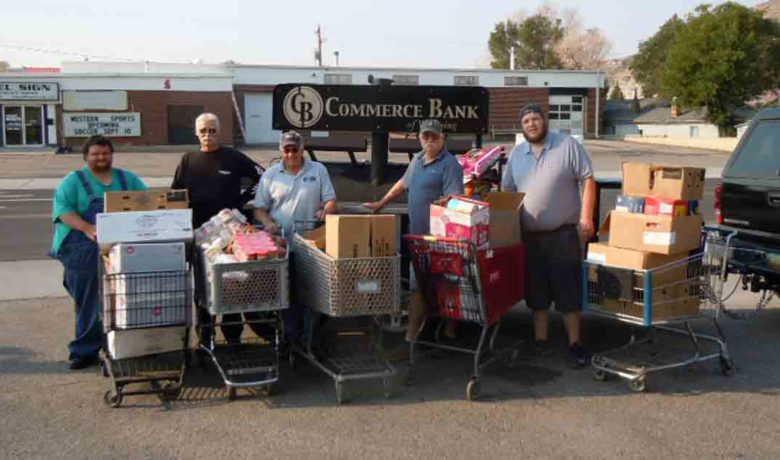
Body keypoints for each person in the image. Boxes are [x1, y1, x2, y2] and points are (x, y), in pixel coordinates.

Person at [501, 103, 596, 368]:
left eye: (535, 118)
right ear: (522, 127)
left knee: (569, 291)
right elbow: (508, 194)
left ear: (545, 121)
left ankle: (575, 344)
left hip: (563, 234)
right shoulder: (517, 155)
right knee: (537, 293)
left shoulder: (567, 146)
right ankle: (540, 342)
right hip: (530, 236)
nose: (531, 124)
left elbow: (588, 180)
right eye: (526, 121)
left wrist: (586, 217)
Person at [362, 119, 464, 347]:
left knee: (445, 286)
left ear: (442, 138)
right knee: (420, 286)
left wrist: (443, 203)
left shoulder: (450, 164)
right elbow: (402, 184)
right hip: (417, 238)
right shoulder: (417, 160)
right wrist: (382, 202)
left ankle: (445, 333)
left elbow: (456, 198)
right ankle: (415, 336)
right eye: (425, 136)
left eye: (433, 136)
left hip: (439, 240)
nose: (429, 140)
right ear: (419, 138)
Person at [51, 135, 148, 369]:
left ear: (111, 155)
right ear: (86, 157)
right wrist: (87, 228)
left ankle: (123, 347)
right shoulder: (73, 181)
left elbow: (148, 201)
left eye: (105, 153)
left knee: (124, 298)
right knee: (90, 300)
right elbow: (63, 211)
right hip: (80, 245)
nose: (101, 157)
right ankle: (84, 351)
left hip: (120, 244)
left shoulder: (127, 179)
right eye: (95, 154)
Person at [171, 112, 263, 345]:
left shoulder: (233, 158)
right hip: (200, 234)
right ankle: (205, 337)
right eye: (203, 131)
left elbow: (261, 178)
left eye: (212, 130)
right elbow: (176, 195)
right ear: (196, 133)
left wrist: (242, 201)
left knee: (231, 285)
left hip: (230, 238)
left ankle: (233, 337)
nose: (207, 135)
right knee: (203, 289)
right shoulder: (188, 161)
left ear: (219, 132)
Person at [254, 130, 337, 340]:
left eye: (295, 150)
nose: (291, 154)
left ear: (302, 150)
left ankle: (311, 336)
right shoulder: (270, 175)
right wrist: (268, 223)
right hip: (282, 245)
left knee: (312, 292)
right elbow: (260, 209)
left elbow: (330, 200)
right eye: (287, 150)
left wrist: (326, 210)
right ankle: (290, 339)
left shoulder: (318, 170)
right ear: (281, 150)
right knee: (287, 293)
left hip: (312, 246)